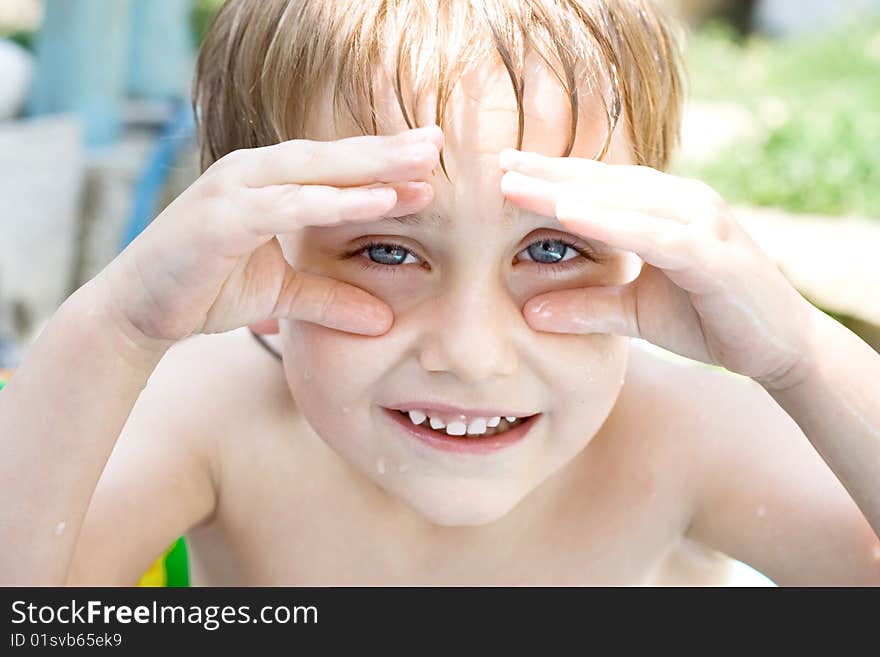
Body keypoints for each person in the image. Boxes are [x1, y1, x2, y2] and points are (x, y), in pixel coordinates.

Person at [1, 0, 878, 586]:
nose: (470, 351)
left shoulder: (681, 434)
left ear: (643, 246)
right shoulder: (217, 418)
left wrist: (800, 354)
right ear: (254, 258)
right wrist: (115, 331)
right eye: (385, 249)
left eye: (551, 246)